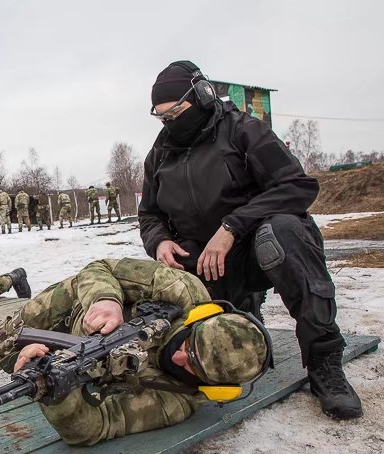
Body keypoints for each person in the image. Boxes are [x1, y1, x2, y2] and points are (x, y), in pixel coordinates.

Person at [140, 60, 361, 419]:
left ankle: (324, 362)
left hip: (254, 247)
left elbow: (297, 186)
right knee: (177, 302)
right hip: (206, 261)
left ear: (202, 96)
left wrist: (232, 226)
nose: (171, 123)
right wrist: (160, 241)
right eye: (163, 117)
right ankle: (239, 311)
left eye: (177, 113)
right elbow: (150, 214)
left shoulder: (243, 130)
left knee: (283, 231)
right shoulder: (160, 154)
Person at [0, 258, 270, 446]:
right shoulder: (179, 289)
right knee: (18, 328)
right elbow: (99, 268)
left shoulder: (176, 401)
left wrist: (54, 392)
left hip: (79, 371)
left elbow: (93, 428)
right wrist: (106, 300)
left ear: (215, 388)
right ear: (200, 319)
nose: (180, 359)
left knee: (26, 361)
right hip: (79, 309)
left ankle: (19, 361)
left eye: (194, 367)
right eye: (190, 347)